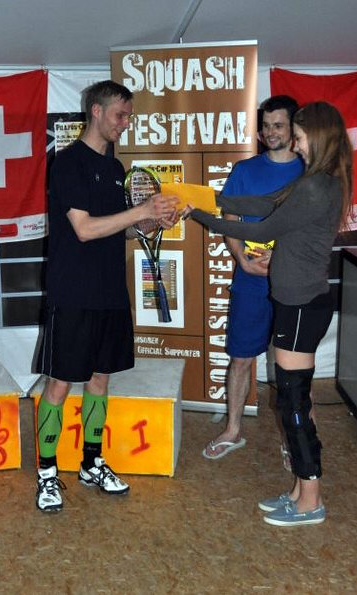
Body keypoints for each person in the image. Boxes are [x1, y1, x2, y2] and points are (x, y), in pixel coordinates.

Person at [180, 101, 353, 526]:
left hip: (300, 306)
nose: (295, 142)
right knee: (293, 398)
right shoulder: (317, 181)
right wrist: (199, 198)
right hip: (299, 302)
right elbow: (261, 203)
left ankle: (310, 501)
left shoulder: (315, 186)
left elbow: (259, 228)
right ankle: (299, 492)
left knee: (293, 403)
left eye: (300, 135)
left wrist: (199, 214)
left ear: (318, 136)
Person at [35, 80, 176, 512]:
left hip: (111, 292)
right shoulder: (67, 164)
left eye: (129, 116)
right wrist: (141, 210)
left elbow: (117, 228)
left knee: (100, 379)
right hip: (72, 292)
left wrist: (148, 223)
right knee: (60, 382)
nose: (125, 123)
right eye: (120, 114)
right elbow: (83, 229)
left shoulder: (116, 168)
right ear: (96, 111)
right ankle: (46, 473)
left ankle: (91, 463)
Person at [202, 95, 304, 461]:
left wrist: (285, 257)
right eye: (266, 126)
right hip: (251, 281)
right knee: (241, 357)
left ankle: (294, 438)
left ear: (293, 129)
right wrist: (242, 259)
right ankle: (233, 430)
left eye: (278, 125)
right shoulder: (245, 170)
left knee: (292, 366)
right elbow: (229, 218)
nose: (271, 132)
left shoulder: (309, 171)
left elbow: (313, 225)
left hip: (294, 282)